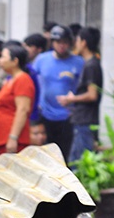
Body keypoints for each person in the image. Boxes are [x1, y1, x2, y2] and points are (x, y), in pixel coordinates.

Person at [33, 24, 83, 160]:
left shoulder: (78, 62)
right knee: (46, 156)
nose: (61, 46)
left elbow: (84, 88)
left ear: (70, 43)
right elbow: (33, 82)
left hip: (67, 116)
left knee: (65, 154)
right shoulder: (42, 59)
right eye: (58, 42)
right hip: (45, 114)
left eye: (65, 42)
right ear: (52, 43)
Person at [59, 26, 103, 163]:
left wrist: (71, 99)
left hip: (85, 120)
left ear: (83, 43)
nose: (75, 44)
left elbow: (92, 95)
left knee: (79, 161)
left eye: (77, 40)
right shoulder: (89, 64)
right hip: (83, 119)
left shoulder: (91, 65)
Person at [0, 41, 35, 157]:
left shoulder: (23, 80)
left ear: (15, 61)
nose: (0, 60)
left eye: (3, 57)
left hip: (11, 139)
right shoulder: (10, 80)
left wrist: (13, 137)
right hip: (1, 138)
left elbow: (23, 109)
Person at [23, 33, 48, 123]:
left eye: (29, 46)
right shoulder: (27, 65)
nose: (25, 49)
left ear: (39, 49)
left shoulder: (43, 66)